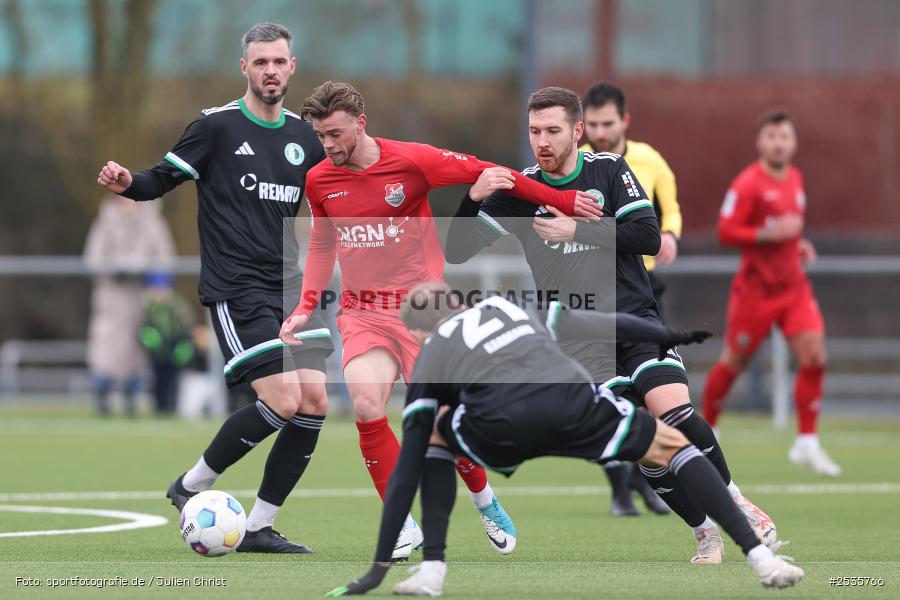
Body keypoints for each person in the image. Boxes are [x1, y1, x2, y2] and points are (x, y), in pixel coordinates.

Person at [444, 86, 775, 564]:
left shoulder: (609, 169)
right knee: (644, 448)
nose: (543, 141)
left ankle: (736, 504)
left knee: (675, 412)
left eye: (554, 130)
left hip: (635, 319)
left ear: (577, 131)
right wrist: (472, 198)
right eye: (535, 131)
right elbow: (456, 250)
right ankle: (705, 531)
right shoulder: (520, 190)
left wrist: (576, 228)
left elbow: (647, 235)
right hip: (579, 340)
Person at [279, 81, 602, 559]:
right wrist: (307, 304)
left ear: (360, 124)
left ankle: (484, 499)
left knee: (444, 419)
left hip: (422, 310)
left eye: (334, 134)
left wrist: (570, 202)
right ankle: (402, 522)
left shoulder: (412, 160)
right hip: (362, 309)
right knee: (368, 405)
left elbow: (494, 172)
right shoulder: (320, 179)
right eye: (319, 136)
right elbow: (324, 242)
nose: (327, 145)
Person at [323, 284, 805, 596]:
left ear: (420, 331)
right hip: (573, 405)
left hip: (499, 428)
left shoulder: (431, 357)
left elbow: (406, 468)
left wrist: (379, 565)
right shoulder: (510, 305)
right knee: (672, 446)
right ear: (462, 303)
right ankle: (760, 558)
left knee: (430, 437)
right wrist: (668, 333)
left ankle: (432, 570)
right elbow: (606, 325)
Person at [96, 23, 335, 553]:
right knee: (284, 399)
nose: (270, 70)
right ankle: (192, 484)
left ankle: (258, 528)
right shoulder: (216, 128)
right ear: (244, 68)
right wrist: (127, 183)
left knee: (315, 401)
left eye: (279, 61)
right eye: (260, 62)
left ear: (292, 67)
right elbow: (161, 178)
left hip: (291, 287)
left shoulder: (304, 138)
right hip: (236, 285)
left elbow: (335, 199)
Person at [703, 109, 839, 477]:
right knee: (734, 362)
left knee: (815, 356)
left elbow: (786, 229)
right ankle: (706, 433)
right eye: (772, 137)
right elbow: (726, 230)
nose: (779, 143)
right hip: (756, 291)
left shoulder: (795, 177)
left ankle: (806, 443)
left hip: (793, 287)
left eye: (785, 137)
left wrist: (798, 245)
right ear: (760, 142)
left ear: (793, 143)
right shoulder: (747, 183)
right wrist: (769, 236)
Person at [580, 82, 681, 515]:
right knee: (608, 394)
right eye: (594, 124)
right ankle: (621, 490)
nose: (600, 133)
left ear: (625, 121)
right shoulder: (578, 161)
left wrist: (671, 233)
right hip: (595, 292)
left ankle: (648, 476)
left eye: (608, 123)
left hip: (642, 289)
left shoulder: (649, 160)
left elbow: (669, 207)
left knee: (648, 392)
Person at [83, 193, 175, 417]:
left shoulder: (154, 223)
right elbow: (92, 258)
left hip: (141, 298)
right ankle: (102, 396)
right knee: (105, 346)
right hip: (111, 297)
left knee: (138, 348)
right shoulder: (105, 223)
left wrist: (151, 280)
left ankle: (132, 397)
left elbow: (166, 259)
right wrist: (114, 269)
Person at [138, 272, 195, 415]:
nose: (159, 293)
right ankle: (159, 408)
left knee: (174, 381)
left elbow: (187, 327)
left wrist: (185, 345)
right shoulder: (147, 307)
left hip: (174, 348)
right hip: (157, 351)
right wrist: (148, 338)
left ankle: (172, 408)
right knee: (158, 381)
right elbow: (141, 328)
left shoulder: (177, 306)